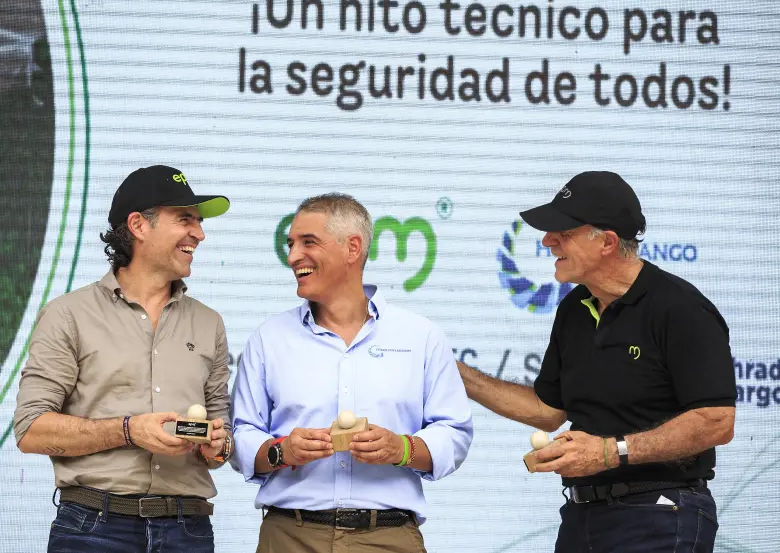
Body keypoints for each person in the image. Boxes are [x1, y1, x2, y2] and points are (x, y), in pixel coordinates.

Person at [458, 171, 736, 553]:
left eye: (563, 233)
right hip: (581, 518)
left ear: (606, 241)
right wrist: (457, 375)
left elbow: (716, 422)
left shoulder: (680, 308)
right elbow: (548, 410)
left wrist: (609, 452)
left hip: (661, 514)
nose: (546, 241)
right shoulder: (574, 307)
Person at [231, 193, 473, 553]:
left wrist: (401, 448)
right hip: (288, 537)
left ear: (353, 248)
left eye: (307, 242)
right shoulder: (269, 337)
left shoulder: (420, 335)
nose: (293, 256)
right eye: (291, 243)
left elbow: (454, 432)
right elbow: (240, 435)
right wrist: (283, 451)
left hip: (390, 539)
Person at [14, 165, 234, 553]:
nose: (199, 233)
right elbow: (31, 430)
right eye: (185, 219)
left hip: (189, 531)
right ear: (138, 224)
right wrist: (130, 430)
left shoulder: (209, 322)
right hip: (93, 528)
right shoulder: (68, 313)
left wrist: (218, 443)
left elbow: (220, 435)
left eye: (198, 222)